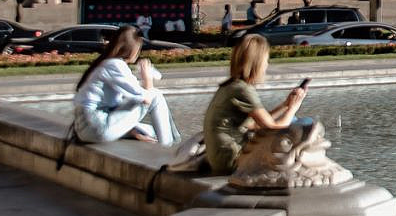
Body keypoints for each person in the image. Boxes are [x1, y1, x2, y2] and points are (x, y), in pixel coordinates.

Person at [201, 33, 307, 175]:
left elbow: (256, 124)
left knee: (292, 122)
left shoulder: (232, 86)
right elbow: (274, 128)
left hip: (221, 157)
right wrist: (293, 108)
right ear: (256, 62)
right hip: (231, 160)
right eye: (266, 60)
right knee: (297, 125)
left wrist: (285, 105)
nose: (267, 65)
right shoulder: (242, 90)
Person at [70, 26, 177, 146]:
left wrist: (135, 134)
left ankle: (169, 141)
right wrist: (147, 78)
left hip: (88, 128)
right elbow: (146, 99)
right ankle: (167, 148)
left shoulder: (105, 63)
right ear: (131, 49)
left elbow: (125, 103)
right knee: (156, 95)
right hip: (96, 126)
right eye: (139, 48)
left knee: (151, 131)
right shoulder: (115, 65)